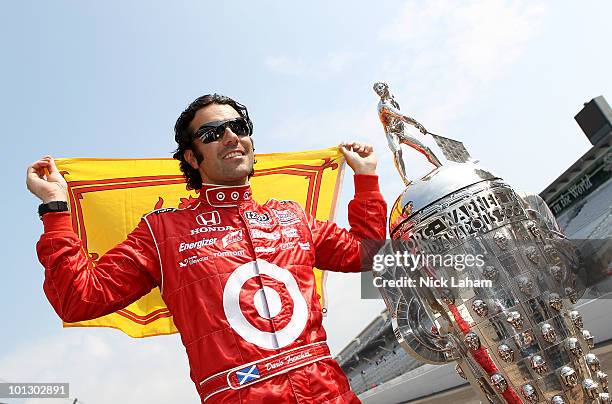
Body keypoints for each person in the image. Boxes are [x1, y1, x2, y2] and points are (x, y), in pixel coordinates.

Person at [27, 94, 387, 403]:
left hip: (332, 394)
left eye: (239, 127)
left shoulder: (292, 217)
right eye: (212, 133)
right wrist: (55, 207)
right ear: (193, 158)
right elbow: (80, 299)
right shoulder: (162, 231)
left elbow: (368, 254)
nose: (231, 136)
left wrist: (367, 179)